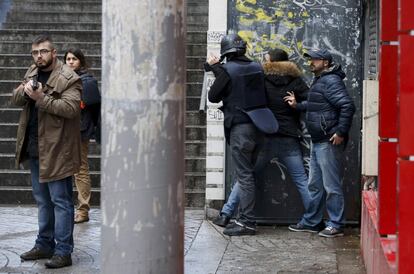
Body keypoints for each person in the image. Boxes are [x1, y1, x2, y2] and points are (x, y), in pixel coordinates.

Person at [213, 48, 311, 228]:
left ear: (271, 61)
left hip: (266, 136)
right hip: (289, 137)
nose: (263, 61)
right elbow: (312, 102)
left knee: (246, 177)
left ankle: (226, 214)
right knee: (302, 180)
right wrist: (297, 105)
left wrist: (216, 68)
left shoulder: (261, 80)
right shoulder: (296, 81)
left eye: (266, 58)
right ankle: (313, 219)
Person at [12, 34, 82, 268]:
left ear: (53, 53)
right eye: (34, 52)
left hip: (58, 149)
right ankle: (44, 244)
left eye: (42, 51)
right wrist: (25, 91)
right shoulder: (32, 71)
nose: (38, 56)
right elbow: (15, 99)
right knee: (43, 200)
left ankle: (63, 251)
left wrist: (41, 98)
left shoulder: (69, 77)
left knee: (60, 201)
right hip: (34, 146)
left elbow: (71, 109)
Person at [205, 34, 277, 236]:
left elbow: (213, 96)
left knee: (244, 176)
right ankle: (241, 218)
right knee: (249, 174)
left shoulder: (227, 70)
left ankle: (247, 222)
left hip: (240, 128)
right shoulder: (257, 67)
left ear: (226, 52)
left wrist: (217, 69)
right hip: (259, 126)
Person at [284, 48, 355, 237]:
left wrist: (340, 132)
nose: (311, 63)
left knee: (331, 186)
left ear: (325, 62)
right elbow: (318, 104)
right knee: (314, 185)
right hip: (318, 141)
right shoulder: (321, 80)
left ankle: (336, 224)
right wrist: (297, 105)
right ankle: (311, 222)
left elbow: (347, 105)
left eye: (315, 60)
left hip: (328, 142)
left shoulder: (331, 80)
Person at [64, 48, 101, 224]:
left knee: (80, 170)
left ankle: (83, 210)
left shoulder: (87, 81)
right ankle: (67, 209)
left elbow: (86, 105)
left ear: (81, 61)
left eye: (74, 59)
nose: (70, 62)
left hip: (79, 130)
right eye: (68, 59)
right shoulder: (62, 79)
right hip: (61, 130)